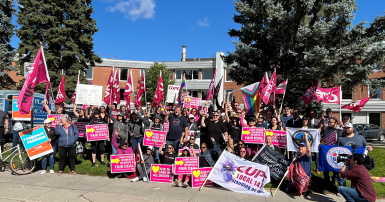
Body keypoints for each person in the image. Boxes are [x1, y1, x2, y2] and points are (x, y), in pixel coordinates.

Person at [335, 122, 373, 188]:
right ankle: (342, 188)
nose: (347, 129)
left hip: (356, 161)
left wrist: (369, 148)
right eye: (345, 128)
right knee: (341, 175)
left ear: (352, 128)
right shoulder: (340, 139)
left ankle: (354, 189)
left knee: (355, 175)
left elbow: (367, 146)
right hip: (344, 160)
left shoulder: (360, 137)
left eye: (348, 128)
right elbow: (335, 149)